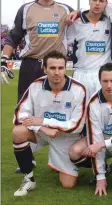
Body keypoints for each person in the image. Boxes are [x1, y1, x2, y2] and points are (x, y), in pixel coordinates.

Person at [12, 51, 86, 196]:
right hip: (41, 133)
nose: (57, 72)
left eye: (60, 68)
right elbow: (19, 115)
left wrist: (45, 121)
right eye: (52, 68)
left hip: (66, 137)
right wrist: (42, 128)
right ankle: (29, 179)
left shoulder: (78, 89)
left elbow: (77, 125)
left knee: (68, 184)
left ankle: (68, 163)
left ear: (66, 68)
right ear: (45, 69)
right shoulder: (35, 86)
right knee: (18, 132)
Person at [68, 62, 112, 196]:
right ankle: (103, 169)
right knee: (75, 152)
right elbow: (96, 138)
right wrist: (100, 177)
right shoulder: (93, 102)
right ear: (99, 81)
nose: (109, 85)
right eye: (105, 81)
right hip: (102, 140)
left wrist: (103, 144)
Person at [1, 0, 73, 102]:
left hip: (56, 65)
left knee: (56, 106)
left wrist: (78, 12)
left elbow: (85, 22)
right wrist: (4, 59)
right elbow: (14, 36)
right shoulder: (25, 9)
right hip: (31, 65)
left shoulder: (66, 9)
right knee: (25, 107)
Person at [66, 0, 112, 101]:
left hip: (102, 74)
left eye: (101, 1)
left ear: (106, 3)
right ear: (89, 0)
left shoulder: (110, 22)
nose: (97, 3)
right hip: (81, 74)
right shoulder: (76, 23)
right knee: (80, 113)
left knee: (102, 113)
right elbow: (65, 44)